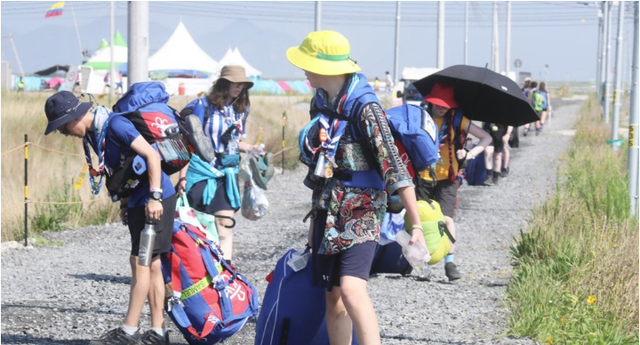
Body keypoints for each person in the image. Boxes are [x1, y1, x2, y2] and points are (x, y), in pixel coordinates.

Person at [286, 30, 427, 345]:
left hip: (363, 209)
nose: (303, 70)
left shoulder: (366, 107)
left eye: (307, 63)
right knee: (333, 296)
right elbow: (321, 166)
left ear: (326, 67)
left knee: (351, 288)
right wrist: (314, 223)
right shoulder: (321, 102)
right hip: (328, 206)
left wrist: (415, 223)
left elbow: (394, 167)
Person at [43, 91, 175, 344]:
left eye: (63, 127)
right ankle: (159, 333)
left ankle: (129, 331)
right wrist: (125, 202)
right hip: (139, 201)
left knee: (139, 261)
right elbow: (121, 167)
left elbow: (151, 155)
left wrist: (156, 197)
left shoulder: (115, 125)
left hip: (156, 199)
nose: (65, 133)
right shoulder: (96, 132)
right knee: (152, 263)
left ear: (76, 116)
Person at [178, 65, 259, 265]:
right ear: (223, 83)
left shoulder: (242, 110)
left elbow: (234, 141)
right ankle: (197, 267)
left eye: (242, 84)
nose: (239, 87)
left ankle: (225, 268)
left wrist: (250, 148)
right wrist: (182, 175)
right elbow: (187, 142)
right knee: (197, 223)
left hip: (228, 174)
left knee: (225, 222)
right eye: (235, 82)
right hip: (201, 173)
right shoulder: (202, 106)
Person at [416, 83, 491, 280]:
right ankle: (423, 263)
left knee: (447, 219)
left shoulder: (458, 119)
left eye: (446, 104)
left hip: (447, 178)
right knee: (422, 221)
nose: (442, 107)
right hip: (421, 177)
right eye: (438, 103)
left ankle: (450, 263)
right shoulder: (420, 117)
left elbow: (486, 138)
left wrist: (469, 153)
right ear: (430, 102)